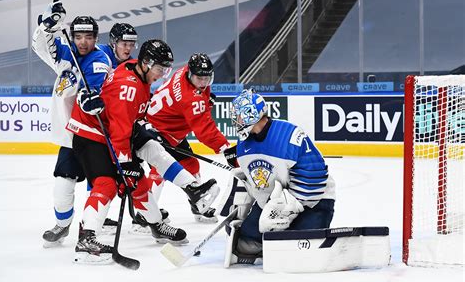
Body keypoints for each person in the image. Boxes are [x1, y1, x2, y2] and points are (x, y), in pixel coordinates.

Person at [67, 39, 220, 264]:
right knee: (108, 184)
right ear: (146, 63)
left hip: (118, 127)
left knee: (152, 150)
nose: (162, 74)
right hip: (92, 134)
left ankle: (190, 190)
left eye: (166, 69)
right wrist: (125, 164)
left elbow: (124, 123)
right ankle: (86, 240)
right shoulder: (128, 87)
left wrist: (128, 165)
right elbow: (120, 130)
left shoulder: (137, 71)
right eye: (160, 69)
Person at [31, 0, 112, 247]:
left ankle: (91, 227)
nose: (83, 42)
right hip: (70, 135)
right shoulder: (67, 54)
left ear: (96, 38)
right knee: (62, 182)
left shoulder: (98, 61)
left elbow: (95, 86)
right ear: (72, 37)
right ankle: (63, 225)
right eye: (78, 37)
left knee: (97, 182)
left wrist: (90, 97)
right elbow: (41, 48)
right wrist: (47, 26)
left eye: (88, 37)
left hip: (91, 134)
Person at [224, 89, 336, 264]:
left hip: (313, 201)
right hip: (273, 203)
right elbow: (259, 179)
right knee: (245, 243)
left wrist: (287, 209)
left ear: (251, 115)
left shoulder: (289, 134)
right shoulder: (243, 143)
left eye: (238, 117)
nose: (235, 121)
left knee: (298, 245)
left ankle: (289, 232)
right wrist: (246, 184)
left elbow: (315, 177)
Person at [133, 53, 230, 229]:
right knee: (160, 170)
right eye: (199, 78)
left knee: (191, 165)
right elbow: (205, 131)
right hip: (158, 131)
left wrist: (205, 101)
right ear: (191, 74)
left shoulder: (184, 71)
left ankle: (198, 204)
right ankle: (144, 216)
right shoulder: (191, 98)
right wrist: (226, 148)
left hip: (168, 129)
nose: (203, 83)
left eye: (206, 78)